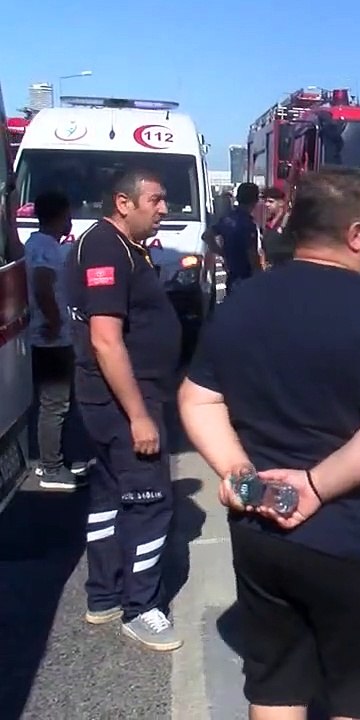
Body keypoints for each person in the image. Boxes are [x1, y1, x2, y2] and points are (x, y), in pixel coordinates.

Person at [178, 167, 360, 720]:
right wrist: (315, 486)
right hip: (356, 541)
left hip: (262, 536)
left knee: (276, 688)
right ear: (357, 234)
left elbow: (196, 399)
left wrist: (241, 476)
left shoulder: (243, 301)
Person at [66, 168, 183, 651]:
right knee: (150, 504)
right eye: (155, 200)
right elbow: (106, 340)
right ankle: (142, 608)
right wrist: (138, 415)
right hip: (123, 402)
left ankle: (105, 595)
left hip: (115, 400)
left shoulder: (125, 248)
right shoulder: (105, 248)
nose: (164, 208)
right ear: (123, 202)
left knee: (109, 496)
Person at [26, 190, 92, 489]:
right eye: (68, 215)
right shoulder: (44, 247)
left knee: (57, 403)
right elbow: (42, 285)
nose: (70, 222)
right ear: (59, 215)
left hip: (53, 335)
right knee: (55, 404)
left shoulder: (45, 244)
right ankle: (51, 468)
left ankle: (56, 460)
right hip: (51, 339)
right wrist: (54, 322)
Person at [203, 182, 261, 294]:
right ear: (255, 201)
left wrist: (221, 252)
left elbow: (206, 236)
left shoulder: (227, 219)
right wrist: (259, 275)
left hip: (232, 276)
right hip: (246, 277)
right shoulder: (248, 224)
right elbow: (251, 254)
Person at [258, 186, 291, 269]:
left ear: (281, 203)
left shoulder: (288, 222)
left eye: (271, 201)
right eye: (265, 201)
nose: (267, 204)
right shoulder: (268, 223)